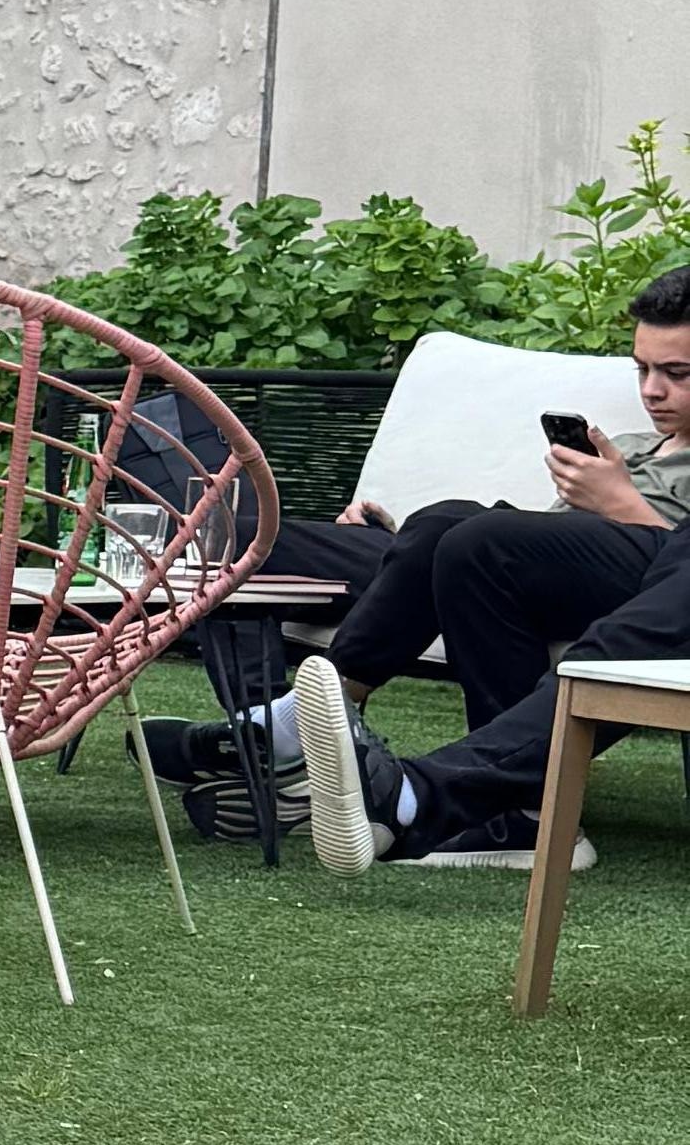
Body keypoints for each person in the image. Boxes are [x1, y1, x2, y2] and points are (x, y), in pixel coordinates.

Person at [290, 263, 690, 867]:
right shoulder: (631, 445)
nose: (653, 390)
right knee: (442, 525)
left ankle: (503, 806)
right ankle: (307, 721)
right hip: (574, 569)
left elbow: (674, 573)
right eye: (642, 370)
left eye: (677, 373)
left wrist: (624, 505)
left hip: (642, 575)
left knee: (481, 543)